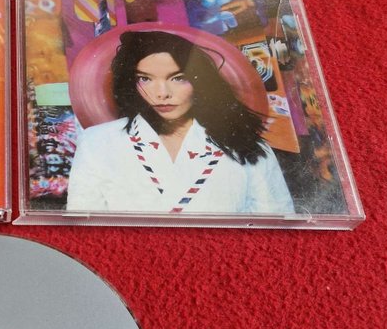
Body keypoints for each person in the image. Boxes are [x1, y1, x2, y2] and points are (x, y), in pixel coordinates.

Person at [66, 30, 294, 214]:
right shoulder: (97, 142)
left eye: (178, 78)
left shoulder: (248, 146)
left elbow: (274, 227)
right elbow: (85, 227)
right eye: (145, 78)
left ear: (200, 81)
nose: (162, 93)